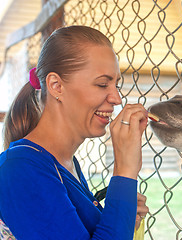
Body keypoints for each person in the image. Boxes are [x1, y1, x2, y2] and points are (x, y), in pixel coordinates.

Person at [0, 25, 149, 239]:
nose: (116, 98)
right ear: (56, 86)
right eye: (101, 84)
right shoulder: (20, 169)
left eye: (116, 84)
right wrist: (125, 169)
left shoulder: (65, 165)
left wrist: (123, 213)